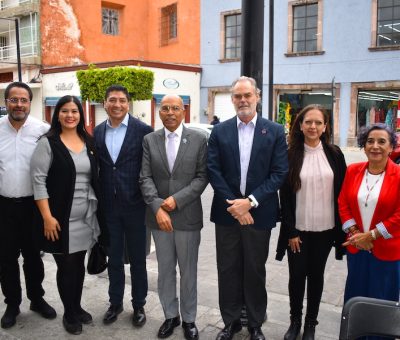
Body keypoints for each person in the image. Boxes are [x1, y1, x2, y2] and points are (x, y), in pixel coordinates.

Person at [207, 76, 288, 340]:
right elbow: (213, 170)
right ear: (232, 99)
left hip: (259, 213)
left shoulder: (274, 131)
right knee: (227, 268)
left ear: (258, 97)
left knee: (254, 269)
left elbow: (279, 173)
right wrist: (234, 204)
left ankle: (255, 323)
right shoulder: (219, 131)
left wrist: (249, 202)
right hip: (228, 213)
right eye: (238, 96)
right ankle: (230, 322)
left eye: (247, 95)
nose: (243, 100)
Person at [30, 95, 107, 335]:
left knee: (78, 265)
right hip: (60, 219)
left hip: (86, 218)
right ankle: (69, 314)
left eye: (74, 111)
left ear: (80, 115)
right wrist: (47, 217)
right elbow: (38, 180)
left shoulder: (89, 141)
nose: (70, 115)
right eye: (65, 111)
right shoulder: (48, 142)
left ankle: (77, 305)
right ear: (57, 114)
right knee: (66, 266)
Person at [140, 94, 208, 340]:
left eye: (175, 108)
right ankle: (171, 316)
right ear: (159, 111)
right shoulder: (149, 140)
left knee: (188, 271)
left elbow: (202, 177)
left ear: (183, 111)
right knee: (165, 270)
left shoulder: (199, 140)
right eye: (165, 108)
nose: (170, 112)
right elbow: (144, 177)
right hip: (159, 219)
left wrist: (176, 200)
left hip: (187, 217)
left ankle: (189, 319)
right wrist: (157, 206)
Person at [276, 104, 347, 340]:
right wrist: (291, 231)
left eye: (318, 122)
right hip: (298, 231)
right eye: (308, 122)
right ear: (301, 124)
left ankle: (310, 324)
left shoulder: (335, 154)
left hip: (326, 230)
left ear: (325, 126)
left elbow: (343, 192)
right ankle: (294, 321)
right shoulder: (289, 154)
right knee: (296, 276)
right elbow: (284, 197)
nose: (313, 126)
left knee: (316, 276)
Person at [94, 84, 153, 327]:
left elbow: (150, 168)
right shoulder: (97, 132)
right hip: (108, 207)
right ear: (105, 103)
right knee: (114, 259)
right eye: (112, 100)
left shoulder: (143, 131)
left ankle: (139, 304)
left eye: (121, 100)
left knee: (138, 259)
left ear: (128, 104)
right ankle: (115, 303)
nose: (117, 104)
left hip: (136, 206)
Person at [0, 81, 56, 329]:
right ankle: (12, 304)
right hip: (4, 207)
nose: (19, 104)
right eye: (14, 100)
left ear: (29, 103)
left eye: (23, 100)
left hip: (33, 207)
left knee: (34, 256)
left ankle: (37, 299)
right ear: (6, 102)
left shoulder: (42, 130)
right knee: (6, 258)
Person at [338, 123, 400, 340]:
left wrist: (372, 235)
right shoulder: (353, 170)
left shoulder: (399, 175)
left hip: (386, 250)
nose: (375, 146)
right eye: (370, 141)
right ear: (364, 146)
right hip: (357, 248)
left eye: (382, 141)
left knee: (381, 300)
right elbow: (343, 202)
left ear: (392, 146)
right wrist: (356, 234)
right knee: (355, 296)